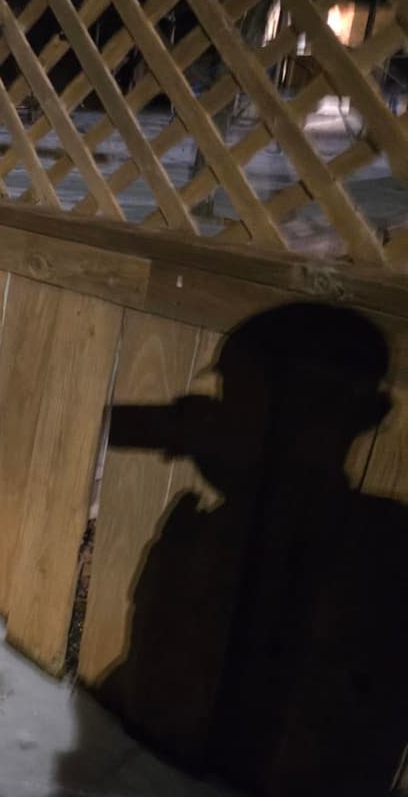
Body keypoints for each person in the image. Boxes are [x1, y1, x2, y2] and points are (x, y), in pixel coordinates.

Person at [95, 303, 406, 796]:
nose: (232, 419)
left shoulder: (381, 558)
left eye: (244, 401)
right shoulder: (207, 532)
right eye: (233, 399)